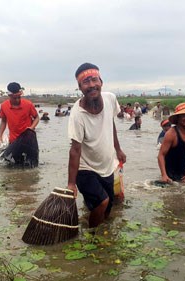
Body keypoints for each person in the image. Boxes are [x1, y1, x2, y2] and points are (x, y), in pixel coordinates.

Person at [67, 62, 126, 228]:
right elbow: (75, 149)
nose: (91, 85)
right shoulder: (77, 114)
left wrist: (118, 149)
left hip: (106, 166)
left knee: (107, 209)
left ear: (101, 82)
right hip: (85, 168)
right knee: (103, 201)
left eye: (94, 80)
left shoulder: (110, 99)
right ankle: (92, 235)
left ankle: (92, 219)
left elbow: (110, 123)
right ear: (80, 87)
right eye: (86, 82)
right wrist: (71, 183)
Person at [0, 82, 40, 165]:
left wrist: (31, 128)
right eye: (15, 98)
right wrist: (0, 136)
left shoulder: (28, 104)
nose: (17, 100)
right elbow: (3, 121)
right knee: (14, 165)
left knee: (31, 165)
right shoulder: (4, 106)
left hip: (28, 140)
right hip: (14, 140)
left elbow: (36, 118)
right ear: (9, 96)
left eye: (19, 97)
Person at [158, 102, 185, 183]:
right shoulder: (171, 134)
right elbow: (161, 155)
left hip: (183, 173)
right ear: (177, 118)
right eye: (184, 115)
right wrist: (164, 175)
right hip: (169, 174)